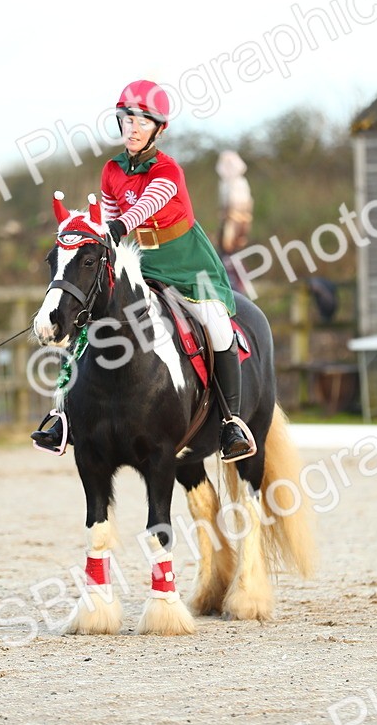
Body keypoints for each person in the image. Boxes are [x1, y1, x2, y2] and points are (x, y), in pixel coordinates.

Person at [32, 79, 256, 462]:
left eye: (142, 122)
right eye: (126, 120)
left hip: (187, 260)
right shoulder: (111, 170)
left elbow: (143, 208)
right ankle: (62, 415)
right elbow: (111, 214)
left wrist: (115, 229)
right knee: (86, 320)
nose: (132, 128)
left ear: (158, 129)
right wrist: (97, 236)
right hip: (141, 259)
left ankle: (231, 422)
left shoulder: (169, 171)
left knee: (217, 324)